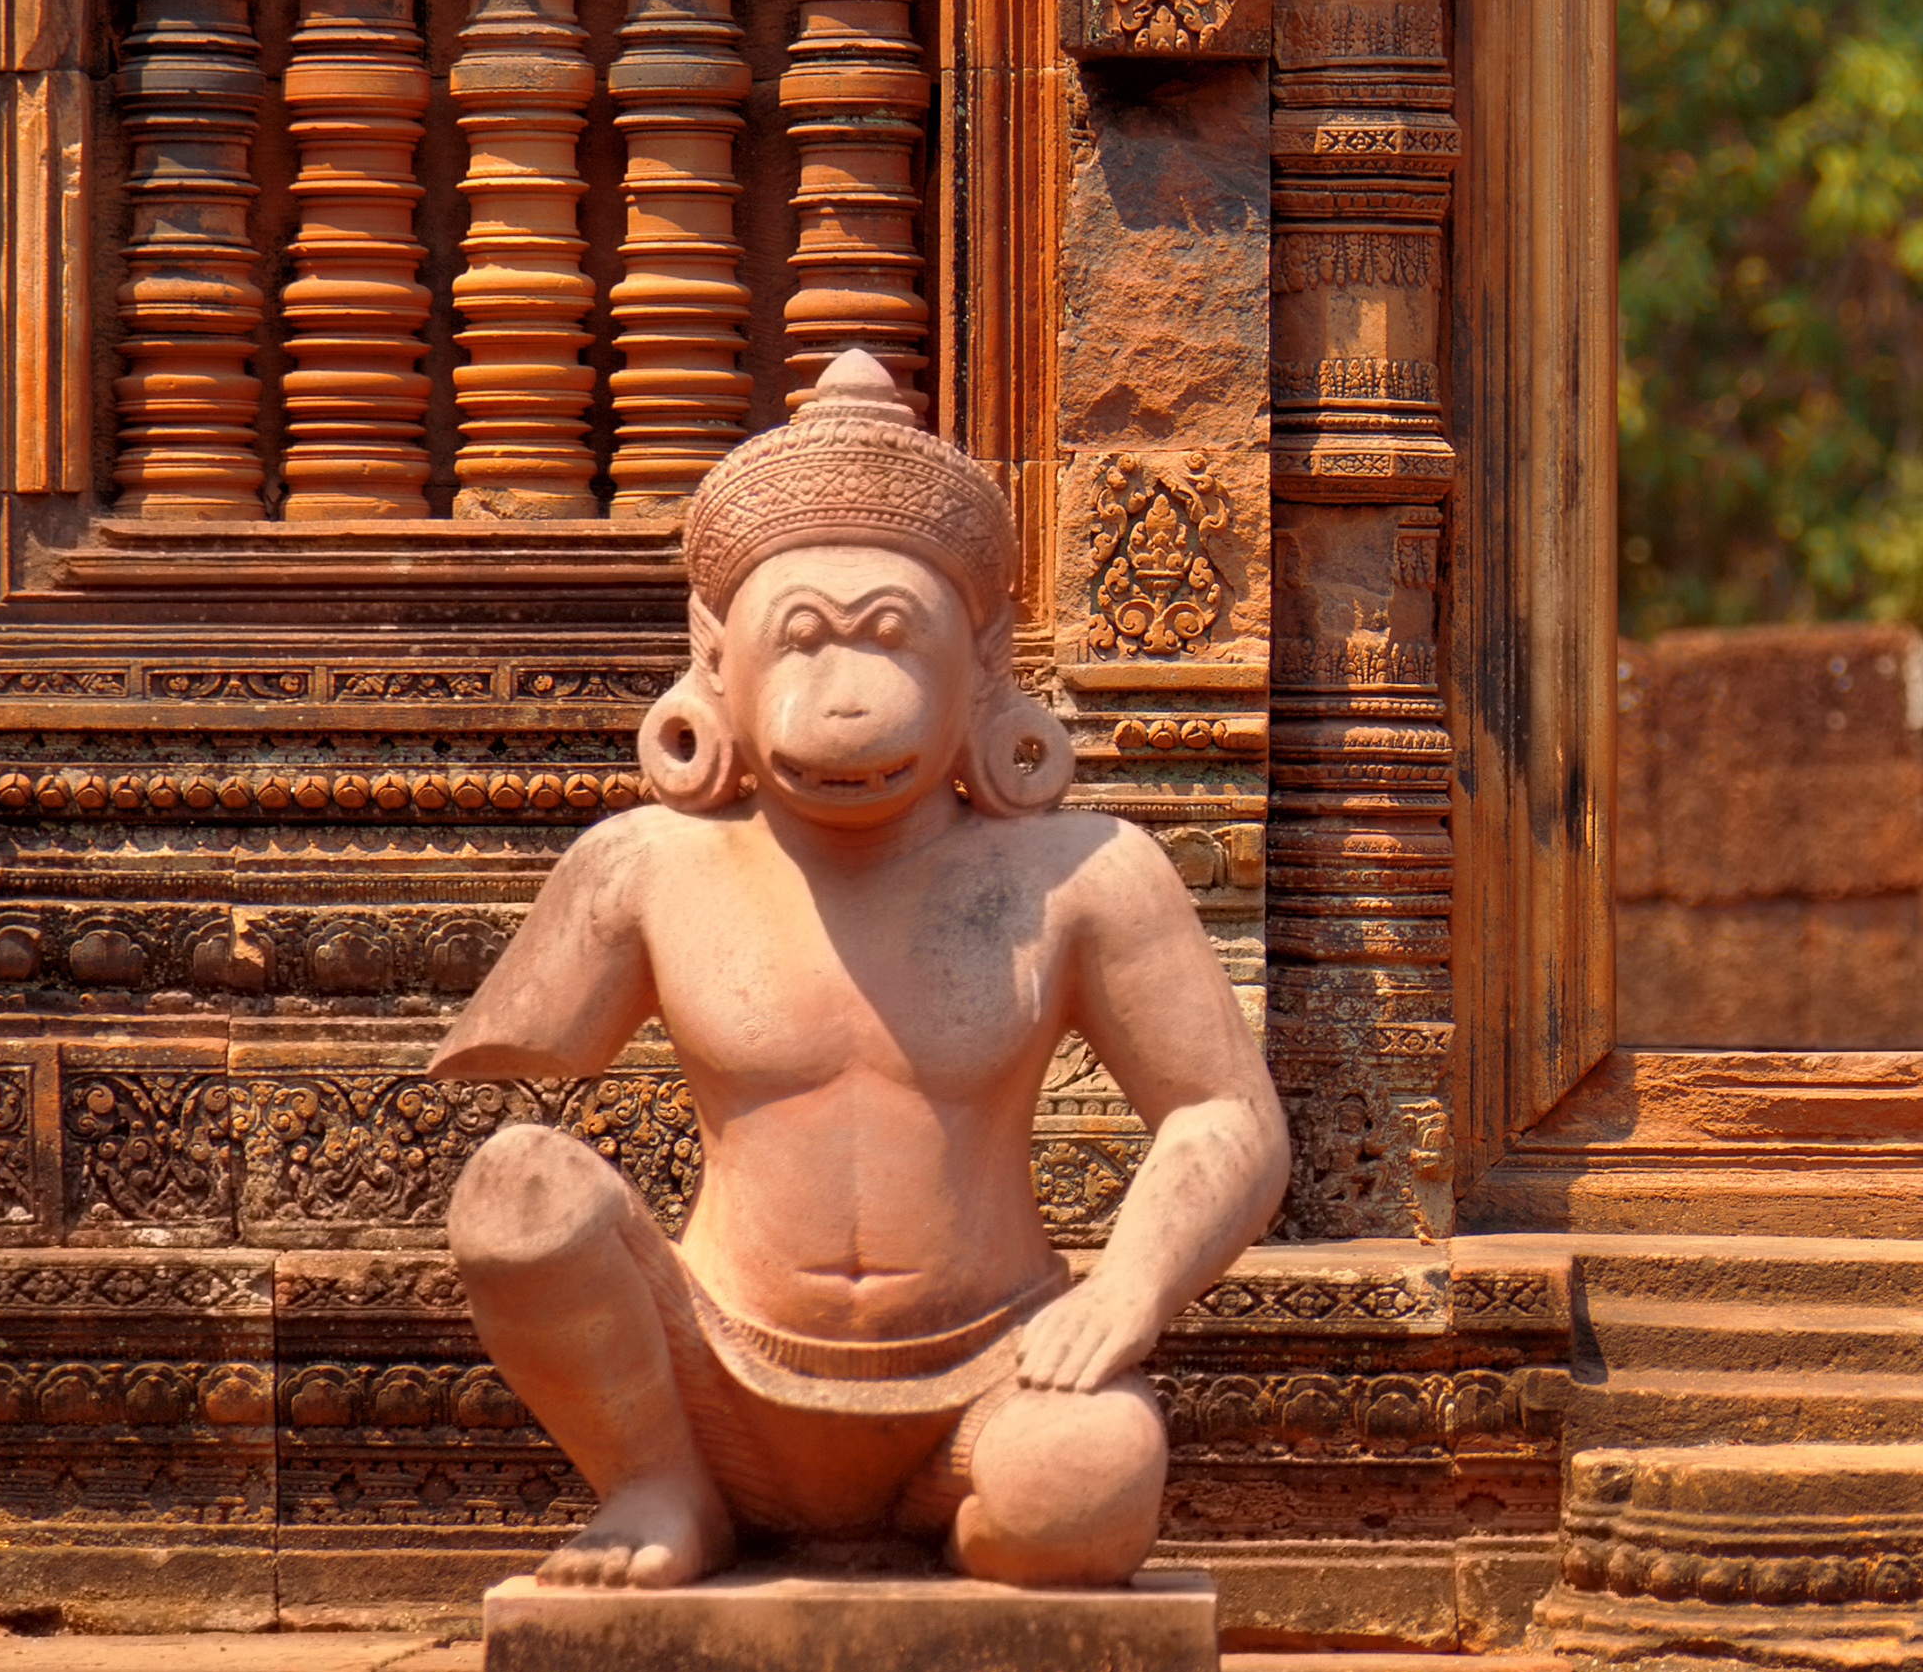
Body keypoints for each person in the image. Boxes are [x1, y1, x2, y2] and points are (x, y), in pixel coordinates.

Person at [434, 353, 1288, 1590]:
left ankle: (970, 1527)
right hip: (713, 1370)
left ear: (982, 660)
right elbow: (513, 1103)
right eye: (802, 642)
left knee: (1091, 1487)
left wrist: (1129, 1291)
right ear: (716, 660)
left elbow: (1225, 1112)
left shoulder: (1084, 873)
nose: (846, 699)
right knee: (513, 1187)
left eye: (891, 635)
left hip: (994, 1371)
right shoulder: (646, 866)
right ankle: (660, 1483)